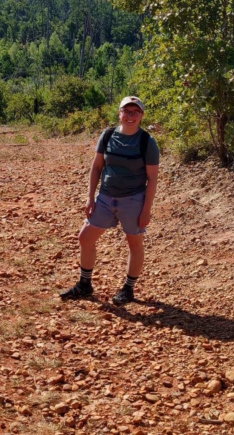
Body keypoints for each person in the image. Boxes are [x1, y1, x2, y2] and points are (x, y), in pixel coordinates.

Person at [60, 96, 160, 305]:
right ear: (119, 113)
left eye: (135, 112)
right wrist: (90, 197)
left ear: (141, 116)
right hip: (105, 197)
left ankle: (128, 288)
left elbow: (152, 179)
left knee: (134, 243)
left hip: (133, 199)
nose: (130, 116)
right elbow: (96, 167)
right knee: (85, 238)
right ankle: (85, 285)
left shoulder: (147, 142)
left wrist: (146, 209)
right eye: (127, 111)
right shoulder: (107, 136)